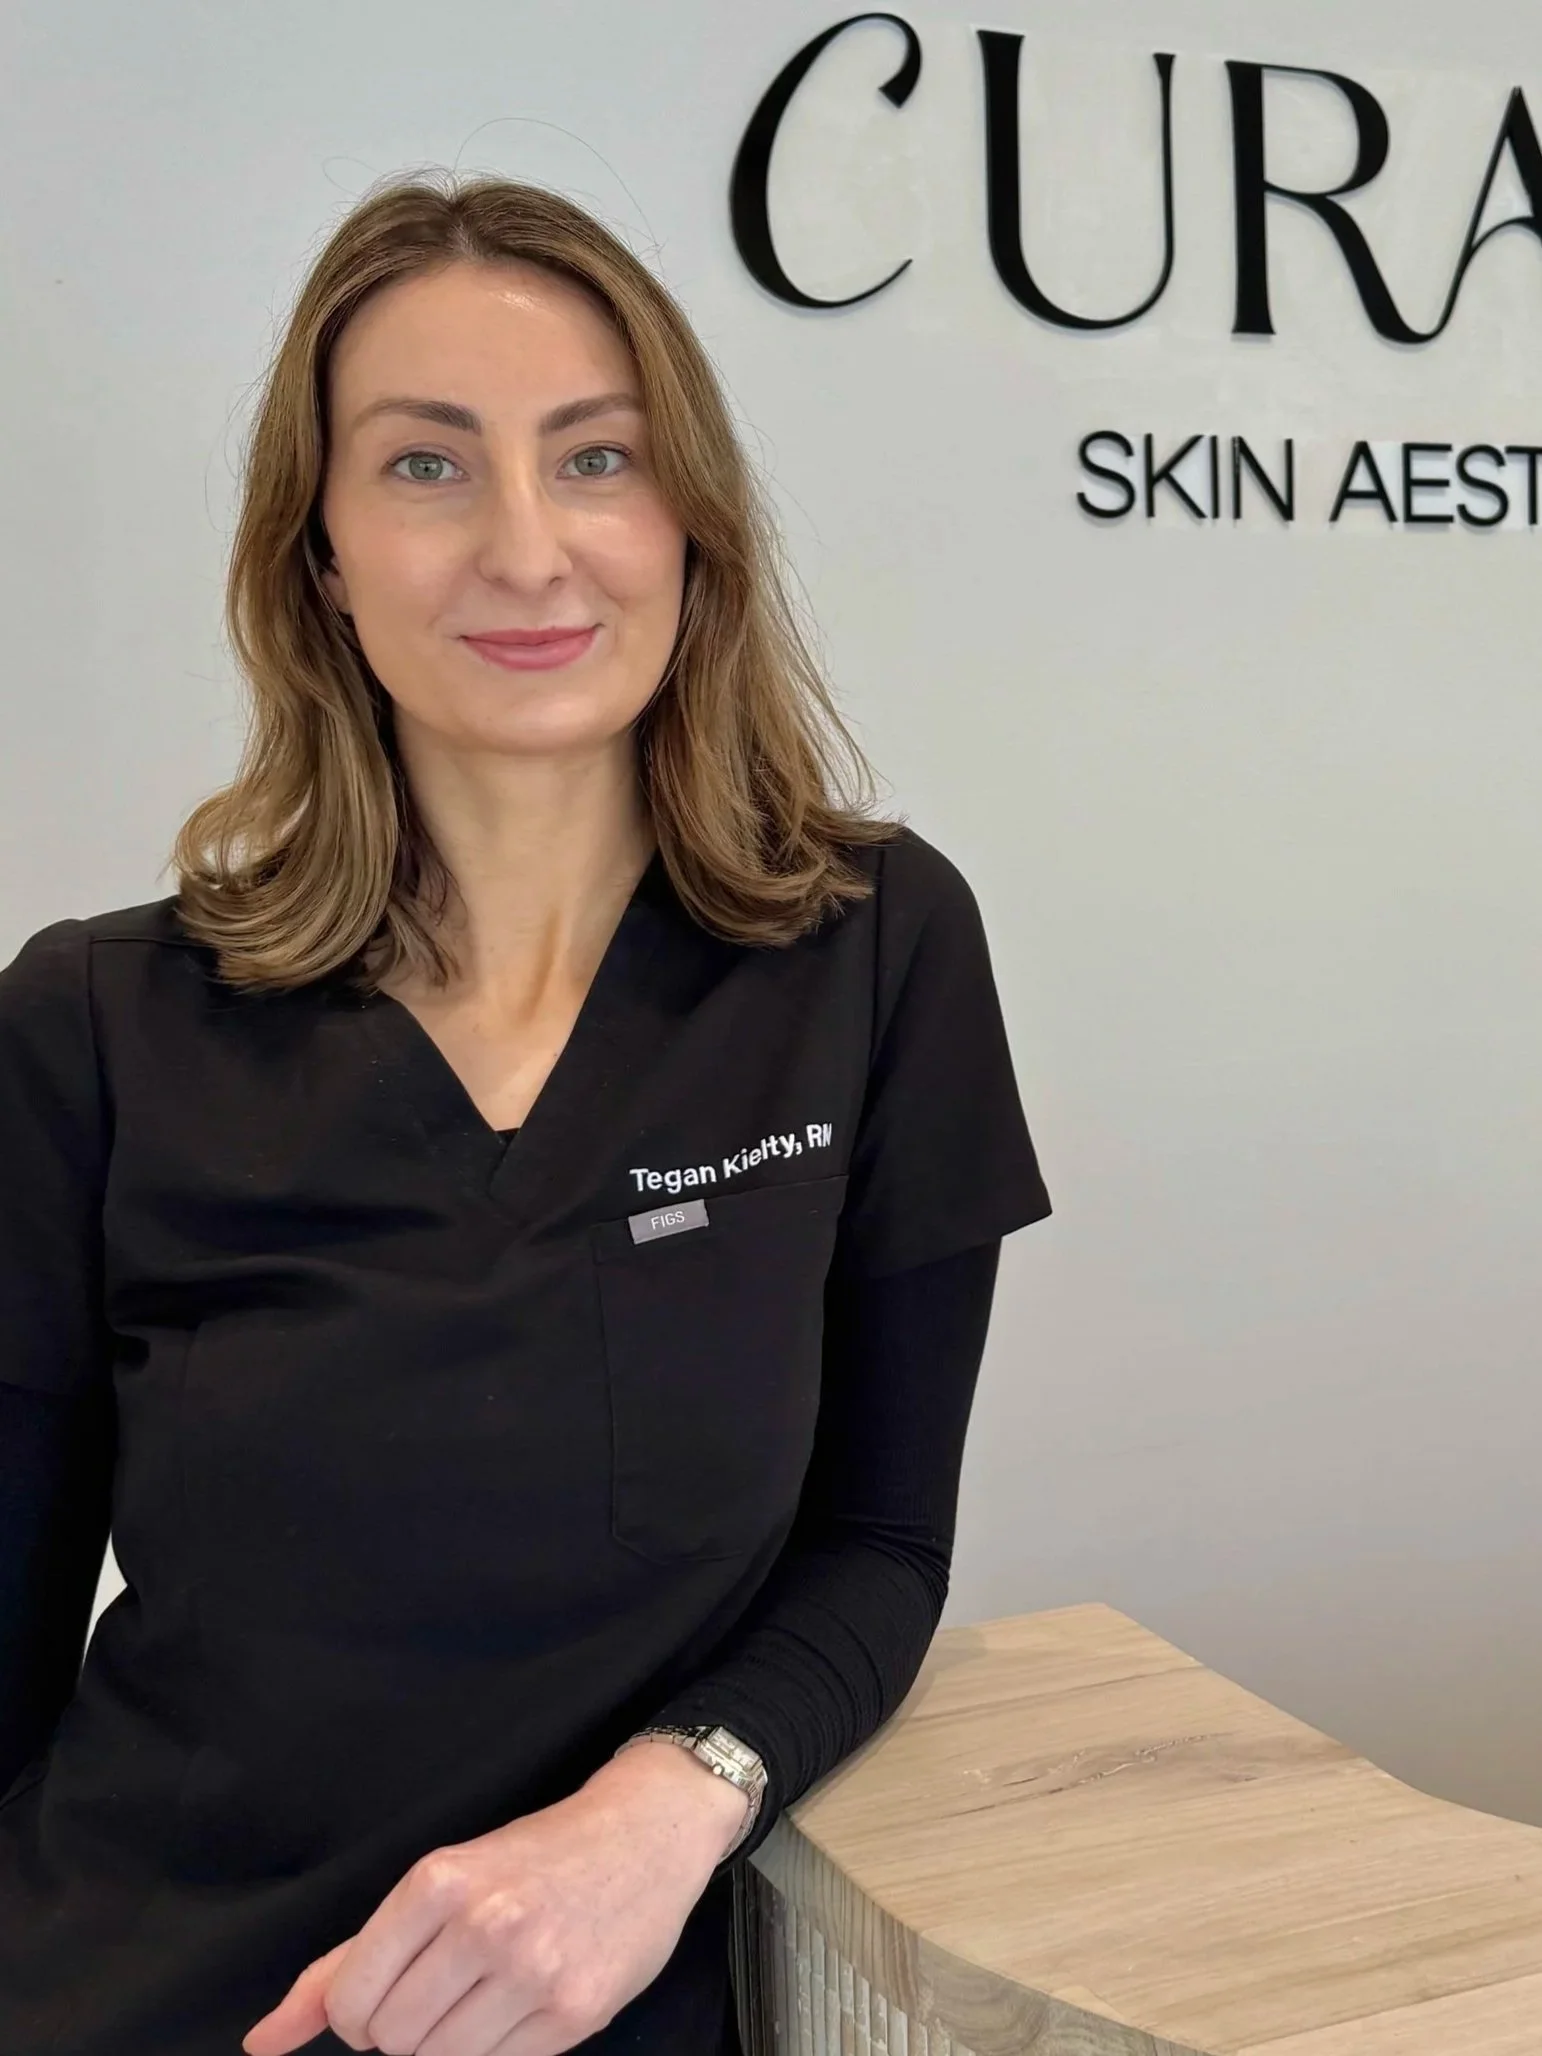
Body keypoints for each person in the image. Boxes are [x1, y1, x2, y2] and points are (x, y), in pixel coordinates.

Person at [0, 171, 1051, 2056]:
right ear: (319, 554)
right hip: (145, 1997)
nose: (526, 547)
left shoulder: (873, 948)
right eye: (425, 465)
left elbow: (881, 1548)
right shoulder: (92, 1023)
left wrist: (666, 1804)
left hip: (619, 1999)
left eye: (595, 457)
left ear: (690, 522)